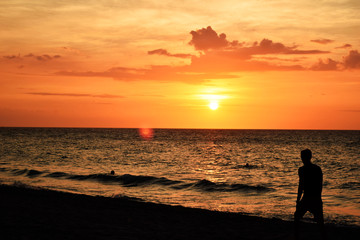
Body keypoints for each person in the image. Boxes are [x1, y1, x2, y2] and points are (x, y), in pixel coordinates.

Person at [294, 149, 326, 240]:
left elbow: (301, 186)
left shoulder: (303, 170)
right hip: (311, 198)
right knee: (320, 222)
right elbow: (319, 186)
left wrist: (298, 200)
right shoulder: (316, 169)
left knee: (298, 217)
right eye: (302, 157)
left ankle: (296, 236)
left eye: (303, 157)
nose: (302, 159)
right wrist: (298, 200)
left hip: (309, 198)